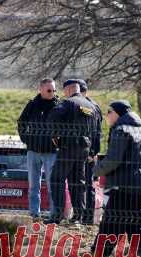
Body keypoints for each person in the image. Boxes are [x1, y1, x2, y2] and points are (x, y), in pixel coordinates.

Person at [91, 100, 141, 257]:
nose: (107, 116)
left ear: (117, 113)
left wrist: (96, 170)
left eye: (109, 112)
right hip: (140, 185)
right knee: (136, 226)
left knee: (110, 226)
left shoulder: (120, 130)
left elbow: (113, 160)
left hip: (123, 187)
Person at [44, 79, 97, 224]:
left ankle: (58, 215)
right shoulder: (90, 105)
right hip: (84, 148)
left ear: (68, 90)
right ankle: (78, 216)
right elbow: (95, 129)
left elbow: (52, 117)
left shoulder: (68, 103)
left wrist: (55, 135)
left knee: (56, 179)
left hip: (68, 146)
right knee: (77, 182)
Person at [17, 78, 59, 219]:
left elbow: (65, 127)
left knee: (52, 185)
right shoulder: (32, 105)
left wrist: (58, 142)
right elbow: (21, 122)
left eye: (54, 90)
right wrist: (26, 139)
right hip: (33, 151)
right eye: (49, 90)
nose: (52, 92)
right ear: (40, 89)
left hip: (51, 152)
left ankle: (54, 214)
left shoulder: (58, 105)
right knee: (33, 186)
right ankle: (35, 213)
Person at [78, 79, 103, 224]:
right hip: (81, 151)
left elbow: (97, 132)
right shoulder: (91, 105)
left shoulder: (91, 107)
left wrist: (93, 153)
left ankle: (87, 218)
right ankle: (83, 217)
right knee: (82, 185)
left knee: (88, 185)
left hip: (88, 153)